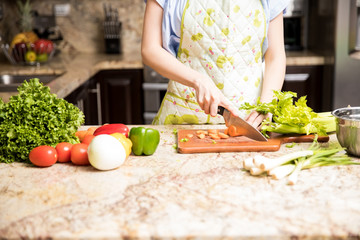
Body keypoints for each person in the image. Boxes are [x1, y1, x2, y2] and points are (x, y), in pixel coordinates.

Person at [141, 0, 289, 127]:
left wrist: (266, 105)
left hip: (248, 122)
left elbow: (275, 55)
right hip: (183, 116)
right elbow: (150, 49)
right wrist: (198, 80)